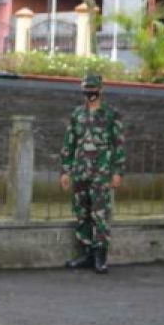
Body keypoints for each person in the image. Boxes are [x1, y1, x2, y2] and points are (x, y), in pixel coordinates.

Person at [60, 74, 126, 275]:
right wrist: (66, 170)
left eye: (93, 88)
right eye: (86, 88)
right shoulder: (77, 114)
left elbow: (119, 144)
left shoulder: (110, 115)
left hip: (101, 172)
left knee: (100, 214)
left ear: (101, 89)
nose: (90, 92)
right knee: (82, 213)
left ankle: (100, 257)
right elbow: (69, 143)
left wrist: (117, 172)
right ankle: (86, 254)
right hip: (80, 172)